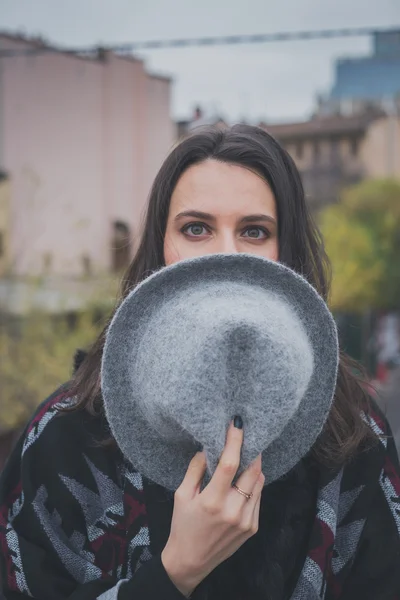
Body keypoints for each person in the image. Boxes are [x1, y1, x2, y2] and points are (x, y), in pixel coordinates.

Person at [1, 125, 399, 600]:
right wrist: (175, 572)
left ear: (287, 252)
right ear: (158, 252)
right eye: (196, 229)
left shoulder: (354, 434)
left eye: (255, 231)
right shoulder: (66, 435)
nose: (225, 256)